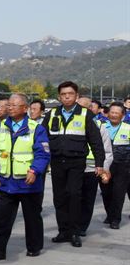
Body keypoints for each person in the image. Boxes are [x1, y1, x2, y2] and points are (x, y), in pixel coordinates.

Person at [42, 81, 104, 248]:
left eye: (70, 94)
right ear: (59, 96)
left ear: (77, 96)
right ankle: (63, 231)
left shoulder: (85, 114)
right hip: (56, 161)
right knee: (59, 197)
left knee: (74, 195)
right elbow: (41, 138)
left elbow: (96, 141)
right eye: (63, 94)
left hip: (76, 162)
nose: (67, 96)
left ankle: (75, 232)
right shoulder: (52, 113)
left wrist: (99, 163)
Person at [0, 93, 50, 260]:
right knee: (1, 219)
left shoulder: (36, 128)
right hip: (5, 181)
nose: (10, 107)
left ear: (25, 108)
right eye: (9, 105)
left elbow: (43, 154)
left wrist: (34, 171)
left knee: (32, 218)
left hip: (29, 182)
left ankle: (34, 247)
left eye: (14, 105)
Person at [76, 96, 113, 237]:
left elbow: (107, 151)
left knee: (87, 199)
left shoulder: (99, 126)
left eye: (85, 107)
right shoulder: (70, 123)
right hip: (73, 167)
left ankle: (82, 227)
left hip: (92, 169)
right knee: (71, 197)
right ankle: (69, 225)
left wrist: (104, 168)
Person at [100, 102, 130, 229]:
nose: (113, 115)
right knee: (106, 192)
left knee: (118, 192)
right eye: (111, 112)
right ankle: (110, 214)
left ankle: (115, 219)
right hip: (105, 165)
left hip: (123, 166)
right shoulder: (101, 127)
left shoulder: (128, 128)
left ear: (122, 115)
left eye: (116, 113)